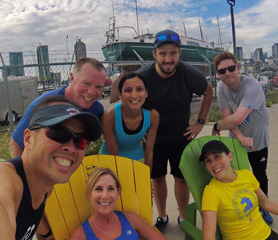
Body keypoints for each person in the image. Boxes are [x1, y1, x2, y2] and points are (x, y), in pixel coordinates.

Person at [136, 29, 213, 231]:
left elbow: (208, 91)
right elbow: (128, 101)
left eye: (173, 53)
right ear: (154, 55)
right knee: (157, 178)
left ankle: (182, 216)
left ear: (179, 54)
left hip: (181, 136)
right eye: (162, 53)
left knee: (181, 178)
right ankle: (162, 217)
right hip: (153, 140)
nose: (168, 59)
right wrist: (138, 128)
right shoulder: (143, 76)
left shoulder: (189, 74)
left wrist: (200, 123)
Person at [0, 95, 103, 240]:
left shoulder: (45, 188)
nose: (71, 148)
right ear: (28, 139)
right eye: (59, 133)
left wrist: (48, 235)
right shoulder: (8, 182)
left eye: (80, 141)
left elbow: (32, 214)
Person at [200, 140, 278, 240]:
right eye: (208, 161)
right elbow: (209, 235)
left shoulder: (246, 175)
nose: (213, 164)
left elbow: (266, 203)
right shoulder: (211, 192)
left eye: (217, 157)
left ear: (230, 156)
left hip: (267, 235)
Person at [211, 52, 273, 223]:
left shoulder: (252, 86)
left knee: (259, 175)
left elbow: (236, 118)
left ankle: (264, 206)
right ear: (218, 74)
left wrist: (216, 127)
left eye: (231, 68)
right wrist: (239, 136)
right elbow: (227, 116)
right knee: (235, 175)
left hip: (257, 139)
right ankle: (240, 206)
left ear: (238, 68)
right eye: (222, 71)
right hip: (237, 140)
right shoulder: (221, 87)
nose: (227, 73)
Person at [9, 57, 107, 158]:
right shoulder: (44, 105)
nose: (91, 92)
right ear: (72, 78)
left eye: (99, 87)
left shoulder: (96, 109)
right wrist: (24, 172)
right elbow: (17, 143)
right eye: (86, 83)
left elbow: (86, 139)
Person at [70, 167, 168, 240]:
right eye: (98, 189)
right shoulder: (80, 235)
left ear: (118, 193)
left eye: (111, 189)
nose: (105, 195)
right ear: (89, 194)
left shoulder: (131, 219)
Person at [101, 72, 159, 171]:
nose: (134, 95)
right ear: (120, 95)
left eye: (139, 89)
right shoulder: (109, 117)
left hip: (137, 159)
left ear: (146, 93)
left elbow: (149, 152)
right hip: (110, 161)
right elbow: (114, 157)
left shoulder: (153, 115)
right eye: (128, 90)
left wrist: (146, 179)